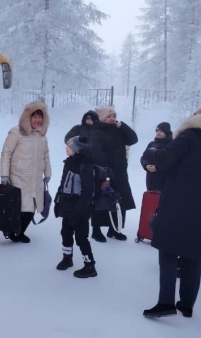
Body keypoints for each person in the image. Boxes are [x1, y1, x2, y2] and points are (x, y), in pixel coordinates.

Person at [143, 105, 201, 318]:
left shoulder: (190, 135)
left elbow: (165, 159)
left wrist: (152, 153)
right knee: (193, 255)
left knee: (167, 251)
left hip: (177, 201)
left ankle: (166, 302)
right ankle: (186, 305)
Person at [0, 101, 52, 243]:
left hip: (35, 179)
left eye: (40, 117)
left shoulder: (42, 136)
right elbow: (6, 153)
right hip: (18, 177)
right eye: (34, 116)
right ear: (27, 117)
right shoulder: (16, 132)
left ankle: (20, 231)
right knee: (19, 207)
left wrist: (48, 173)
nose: (37, 120)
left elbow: (46, 156)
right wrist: (4, 174)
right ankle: (12, 230)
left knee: (31, 208)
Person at [89, 106, 138, 242]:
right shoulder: (97, 132)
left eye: (114, 116)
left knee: (119, 202)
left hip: (120, 173)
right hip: (104, 174)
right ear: (102, 118)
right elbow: (97, 153)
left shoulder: (119, 130)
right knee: (101, 202)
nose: (112, 119)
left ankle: (115, 229)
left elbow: (133, 139)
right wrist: (105, 172)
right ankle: (96, 230)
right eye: (109, 116)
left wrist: (123, 126)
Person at [54, 136, 97, 278]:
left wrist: (78, 213)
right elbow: (63, 183)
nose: (66, 148)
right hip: (67, 204)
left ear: (76, 149)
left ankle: (89, 265)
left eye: (69, 146)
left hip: (80, 207)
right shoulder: (69, 162)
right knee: (65, 233)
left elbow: (88, 192)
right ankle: (67, 258)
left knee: (81, 237)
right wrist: (57, 201)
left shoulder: (85, 166)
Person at [140, 122, 173, 192]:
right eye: (157, 131)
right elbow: (143, 158)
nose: (158, 133)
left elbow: (171, 161)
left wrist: (157, 168)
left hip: (165, 178)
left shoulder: (171, 145)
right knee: (151, 199)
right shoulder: (152, 144)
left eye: (161, 131)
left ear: (167, 132)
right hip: (151, 178)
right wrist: (146, 165)